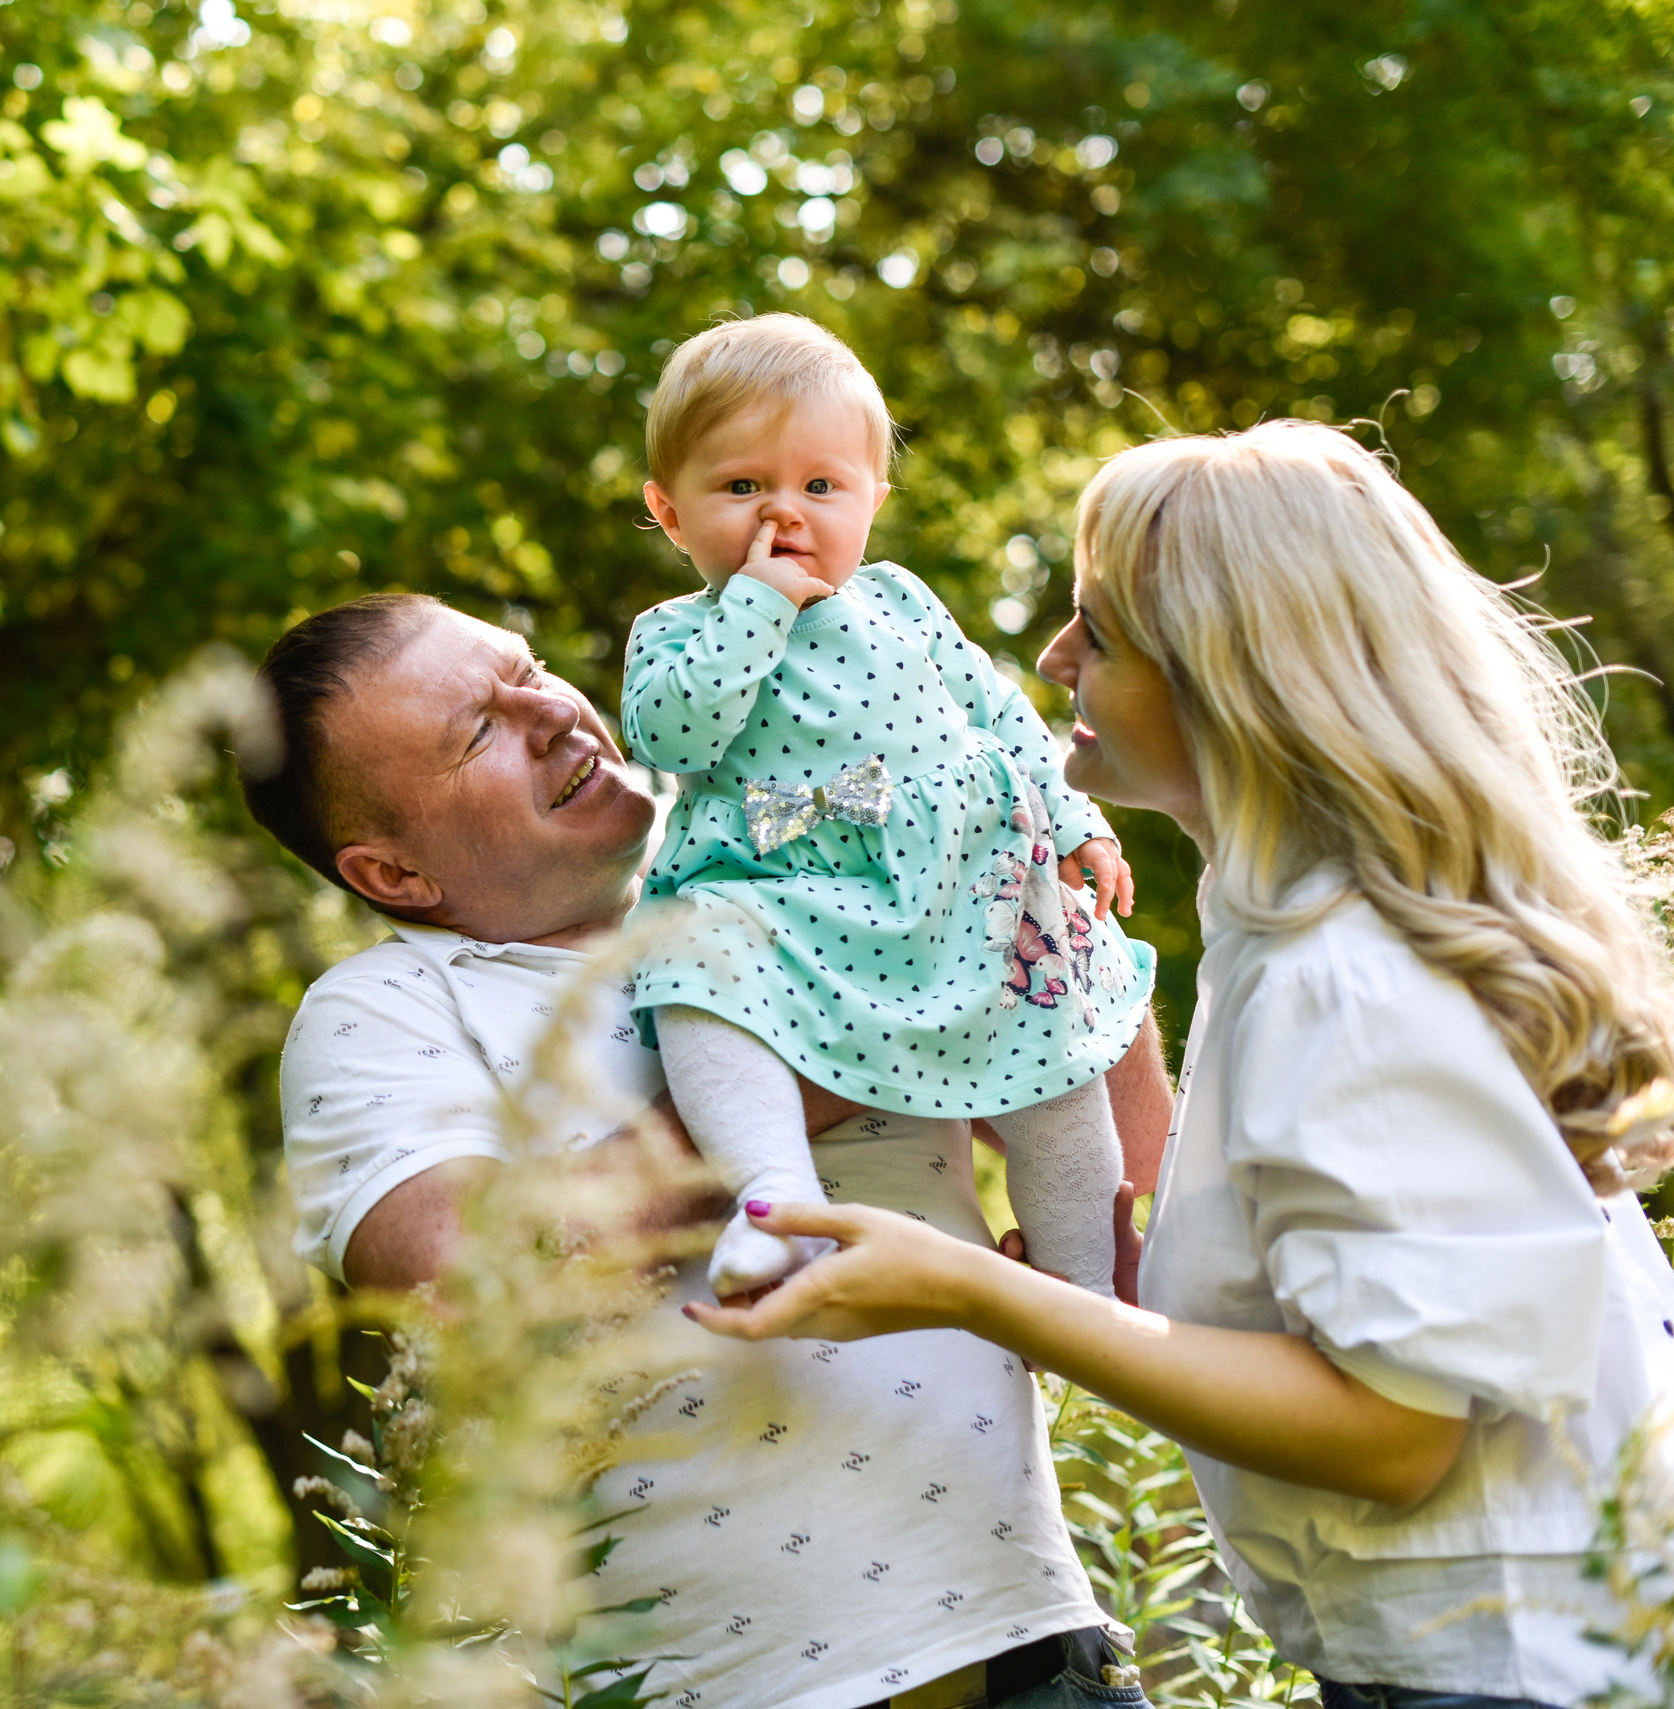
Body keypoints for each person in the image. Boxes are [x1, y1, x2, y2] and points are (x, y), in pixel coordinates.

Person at [688, 420, 1674, 1709]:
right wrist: (1135, 1289)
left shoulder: (1350, 976)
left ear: (1227, 678)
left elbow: (1395, 1433)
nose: (1053, 657)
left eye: (1096, 631)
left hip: (1516, 1671)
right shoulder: (1288, 928)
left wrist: (978, 1292)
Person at [241, 592, 1175, 1709]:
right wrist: (842, 1049)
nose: (550, 711)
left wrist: (1033, 897)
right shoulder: (382, 1008)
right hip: (731, 1686)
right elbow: (467, 1283)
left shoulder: (783, 834)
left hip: (1035, 1643)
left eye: (527, 671)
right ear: (394, 875)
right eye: (480, 731)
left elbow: (1133, 1146)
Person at [622, 315, 1151, 1298]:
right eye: (741, 487)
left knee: (1059, 1080)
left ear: (874, 499)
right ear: (669, 511)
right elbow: (673, 736)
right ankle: (774, 1205)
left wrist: (1076, 817)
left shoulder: (900, 600)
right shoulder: (679, 630)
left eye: (821, 487)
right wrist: (757, 605)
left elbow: (999, 712)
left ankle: (1090, 1296)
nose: (784, 513)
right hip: (787, 868)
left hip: (966, 876)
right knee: (692, 969)